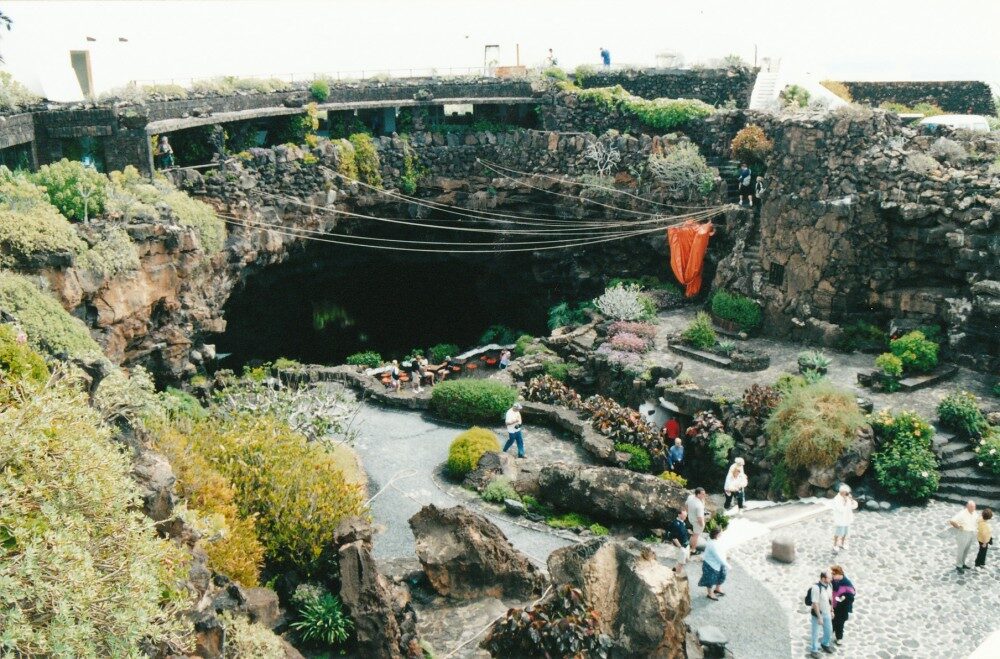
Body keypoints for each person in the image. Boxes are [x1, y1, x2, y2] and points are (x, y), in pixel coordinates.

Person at [808, 570, 835, 656]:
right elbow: (815, 603)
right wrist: (819, 617)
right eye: (829, 578)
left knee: (829, 630)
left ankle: (825, 644)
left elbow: (830, 599)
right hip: (818, 614)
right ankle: (814, 650)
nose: (831, 579)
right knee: (815, 633)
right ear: (823, 578)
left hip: (827, 612)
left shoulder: (830, 585)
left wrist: (832, 610)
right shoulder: (816, 588)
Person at [697, 528, 728, 600]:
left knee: (721, 575)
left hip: (720, 563)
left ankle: (717, 589)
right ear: (717, 534)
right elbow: (717, 555)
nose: (722, 533)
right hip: (711, 564)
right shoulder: (711, 544)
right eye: (720, 532)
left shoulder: (718, 540)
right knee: (710, 578)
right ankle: (710, 594)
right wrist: (727, 564)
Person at [948, 500, 978, 572]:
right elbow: (952, 520)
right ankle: (958, 565)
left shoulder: (975, 513)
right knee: (961, 550)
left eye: (974, 507)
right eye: (971, 507)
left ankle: (963, 563)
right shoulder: (962, 513)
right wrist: (958, 527)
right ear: (967, 506)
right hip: (963, 533)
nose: (973, 508)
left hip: (971, 533)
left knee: (966, 550)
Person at [830, 565, 855, 646]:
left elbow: (851, 596)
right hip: (833, 605)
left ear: (839, 574)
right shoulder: (833, 581)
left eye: (833, 574)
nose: (832, 576)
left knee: (840, 623)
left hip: (842, 608)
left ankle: (839, 637)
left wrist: (843, 598)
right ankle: (831, 630)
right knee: (832, 621)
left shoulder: (847, 584)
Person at [831, 484, 858, 552]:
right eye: (846, 492)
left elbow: (854, 506)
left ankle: (843, 543)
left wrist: (851, 500)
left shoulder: (847, 497)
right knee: (838, 533)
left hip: (847, 518)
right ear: (841, 492)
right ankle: (835, 545)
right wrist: (845, 502)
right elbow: (840, 509)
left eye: (847, 492)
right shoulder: (837, 499)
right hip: (840, 519)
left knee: (846, 532)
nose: (847, 494)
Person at [667, 508, 690, 572]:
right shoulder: (675, 524)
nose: (686, 517)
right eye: (684, 515)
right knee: (681, 563)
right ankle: (677, 574)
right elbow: (674, 537)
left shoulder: (683, 522)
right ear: (679, 515)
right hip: (681, 546)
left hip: (686, 544)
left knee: (687, 559)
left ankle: (674, 568)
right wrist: (680, 547)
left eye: (686, 515)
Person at [685, 487, 707, 554]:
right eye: (703, 494)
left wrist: (688, 512)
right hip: (696, 521)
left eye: (704, 493)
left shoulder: (691, 497)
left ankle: (690, 543)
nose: (704, 495)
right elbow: (699, 518)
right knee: (696, 535)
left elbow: (686, 504)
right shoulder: (699, 506)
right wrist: (702, 525)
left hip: (690, 518)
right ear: (698, 495)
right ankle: (693, 549)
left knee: (694, 533)